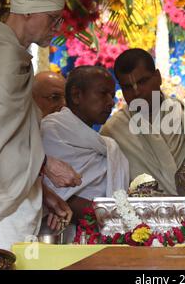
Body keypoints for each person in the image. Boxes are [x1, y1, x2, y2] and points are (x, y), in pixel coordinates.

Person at [0, 0, 81, 250]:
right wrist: (46, 165)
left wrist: (40, 191)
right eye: (53, 18)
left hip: (14, 204)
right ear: (27, 12)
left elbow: (11, 140)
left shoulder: (10, 51)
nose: (58, 27)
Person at [100, 48, 185, 195]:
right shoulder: (114, 130)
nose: (136, 92)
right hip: (142, 215)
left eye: (142, 82)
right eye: (127, 87)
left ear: (158, 77)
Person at [41, 66, 129, 222]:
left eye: (112, 95)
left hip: (101, 230)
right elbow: (46, 191)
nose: (110, 102)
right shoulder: (51, 131)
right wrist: (105, 216)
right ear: (76, 95)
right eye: (103, 94)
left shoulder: (108, 145)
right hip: (58, 233)